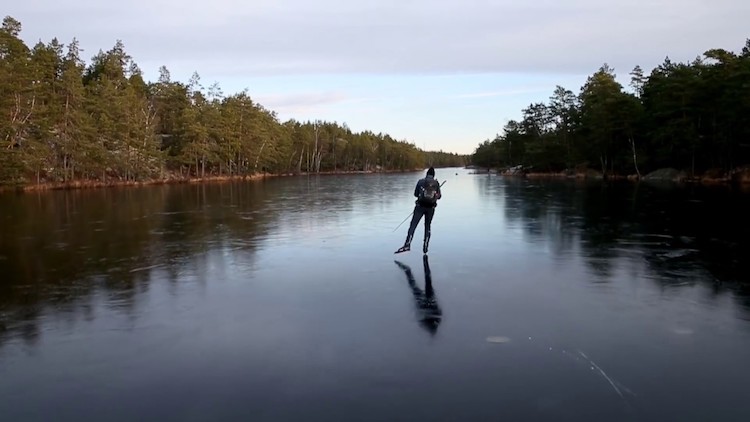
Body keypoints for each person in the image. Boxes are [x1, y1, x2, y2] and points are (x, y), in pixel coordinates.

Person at [396, 167, 442, 254]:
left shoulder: (421, 181)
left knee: (413, 225)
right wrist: (436, 194)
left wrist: (421, 195)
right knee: (427, 226)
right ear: (433, 175)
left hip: (419, 207)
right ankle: (425, 246)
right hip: (431, 208)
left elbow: (415, 194)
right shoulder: (436, 183)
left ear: (427, 173)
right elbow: (439, 197)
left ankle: (407, 244)